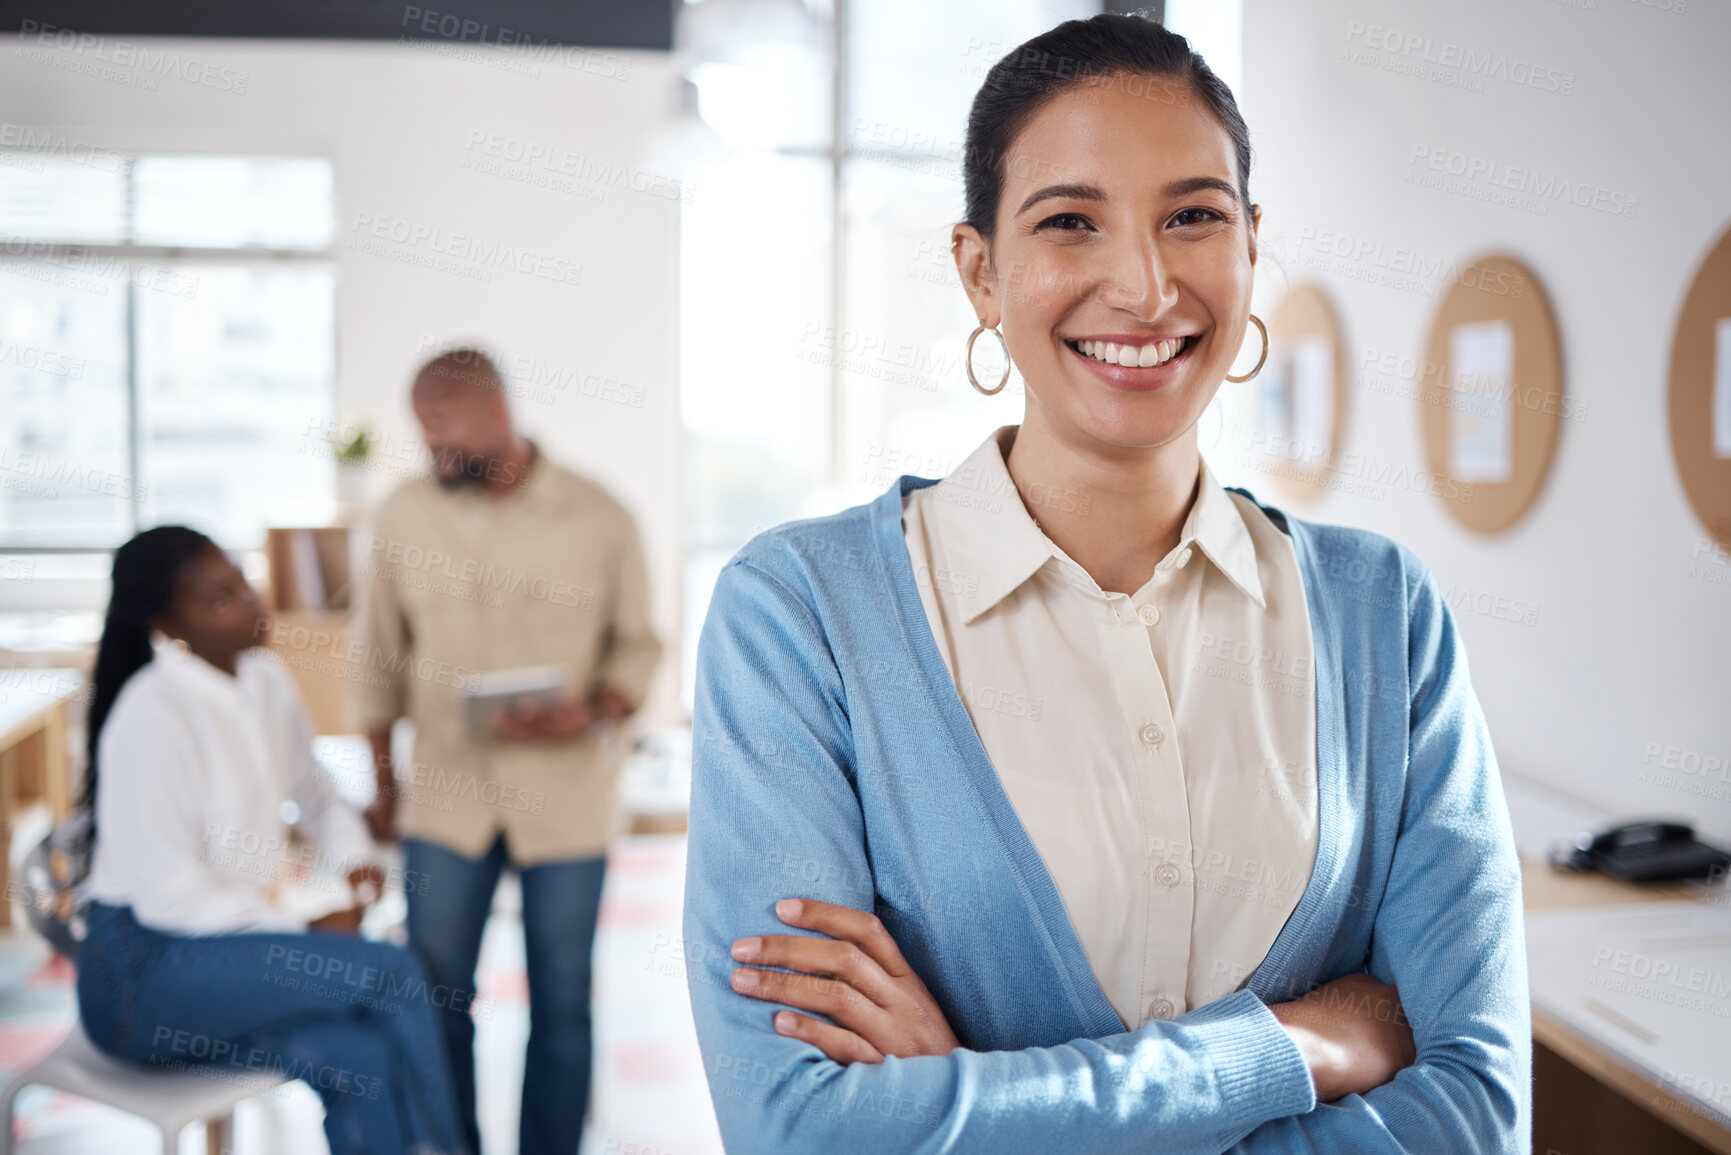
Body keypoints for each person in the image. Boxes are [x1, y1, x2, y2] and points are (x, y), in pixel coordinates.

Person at [683, 14, 1528, 1154]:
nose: (1144, 284)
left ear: (1249, 246)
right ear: (981, 271)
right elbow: (805, 1132)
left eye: (1193, 217)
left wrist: (971, 1103)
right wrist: (1291, 1050)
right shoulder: (801, 617)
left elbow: (1476, 1116)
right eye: (1071, 222)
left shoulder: (1386, 615)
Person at [354, 348, 663, 1155]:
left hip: (566, 796)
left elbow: (639, 647)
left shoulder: (601, 516)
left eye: (448, 433)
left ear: (501, 412)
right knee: (435, 994)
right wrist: (383, 783)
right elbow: (376, 659)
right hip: (445, 796)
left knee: (562, 1001)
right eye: (424, 436)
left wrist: (595, 709)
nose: (434, 453)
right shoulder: (403, 516)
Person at [76, 525, 466, 1155]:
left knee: (358, 1058)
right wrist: (303, 932)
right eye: (220, 597)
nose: (252, 602)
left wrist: (357, 862)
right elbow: (167, 897)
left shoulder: (264, 680)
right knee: (392, 974)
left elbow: (313, 793)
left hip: (223, 954)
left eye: (241, 581)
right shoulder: (151, 714)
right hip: (141, 977)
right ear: (169, 626)